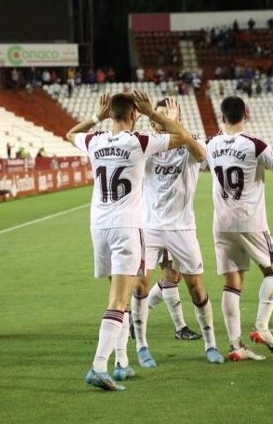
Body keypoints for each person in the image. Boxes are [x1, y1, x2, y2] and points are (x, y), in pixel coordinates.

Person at [66, 91, 191, 391]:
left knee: (115, 296)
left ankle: (121, 362)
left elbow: (70, 133)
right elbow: (184, 137)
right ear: (134, 114)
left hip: (99, 227)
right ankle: (98, 366)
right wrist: (155, 114)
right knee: (119, 302)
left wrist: (98, 116)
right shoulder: (138, 141)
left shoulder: (94, 141)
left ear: (111, 113)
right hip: (126, 228)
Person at [130, 98, 225, 368]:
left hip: (182, 228)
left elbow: (201, 156)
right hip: (149, 227)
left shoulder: (191, 141)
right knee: (140, 285)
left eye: (162, 116)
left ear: (176, 117)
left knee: (196, 288)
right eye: (153, 116)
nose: (155, 120)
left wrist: (172, 123)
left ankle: (210, 345)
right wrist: (152, 118)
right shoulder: (147, 145)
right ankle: (142, 347)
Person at [206, 95, 273, 361]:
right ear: (246, 113)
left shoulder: (211, 144)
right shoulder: (256, 145)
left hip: (221, 223)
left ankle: (235, 345)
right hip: (250, 221)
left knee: (232, 283)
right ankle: (261, 326)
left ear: (222, 116)